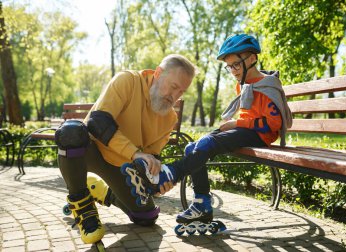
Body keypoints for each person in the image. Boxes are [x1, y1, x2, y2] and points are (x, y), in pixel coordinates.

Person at [123, 34, 292, 235]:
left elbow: (275, 124)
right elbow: (246, 118)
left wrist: (237, 123)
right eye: (230, 67)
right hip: (246, 131)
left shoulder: (267, 85)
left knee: (208, 143)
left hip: (261, 136)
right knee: (192, 147)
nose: (233, 71)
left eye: (236, 65)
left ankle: (172, 173)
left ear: (252, 59)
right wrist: (233, 125)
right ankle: (202, 202)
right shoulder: (243, 84)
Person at [54, 54, 197, 245]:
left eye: (181, 92)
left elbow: (151, 158)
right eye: (173, 87)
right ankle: (83, 206)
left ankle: (104, 192)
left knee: (146, 217)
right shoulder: (127, 80)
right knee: (70, 132)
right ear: (158, 73)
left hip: (122, 167)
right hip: (92, 150)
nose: (175, 97)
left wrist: (156, 180)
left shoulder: (169, 118)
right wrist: (135, 152)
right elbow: (98, 122)